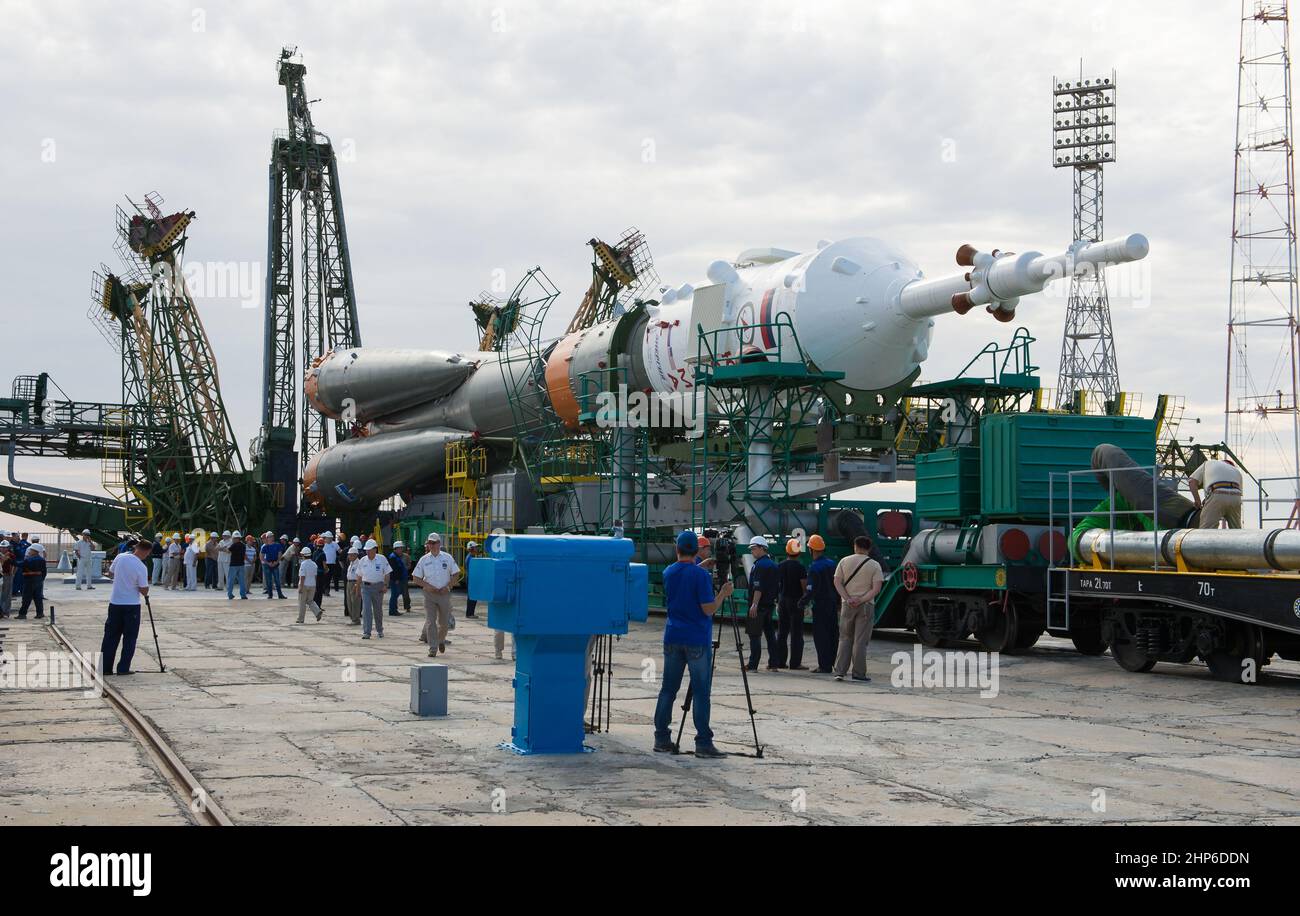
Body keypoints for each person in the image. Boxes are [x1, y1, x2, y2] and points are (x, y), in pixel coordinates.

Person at [653, 530, 734, 758]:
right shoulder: (700, 577)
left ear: (677, 549)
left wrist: (700, 567)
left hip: (673, 637)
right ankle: (703, 743)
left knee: (668, 690)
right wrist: (723, 594)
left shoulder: (669, 572)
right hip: (697, 639)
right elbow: (708, 609)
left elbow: (684, 576)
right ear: (696, 550)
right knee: (701, 692)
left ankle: (661, 738)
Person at [832, 535, 884, 683]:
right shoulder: (874, 565)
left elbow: (837, 582)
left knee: (844, 638)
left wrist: (847, 598)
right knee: (860, 641)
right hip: (866, 606)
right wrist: (860, 599)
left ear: (855, 546)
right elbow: (876, 588)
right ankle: (859, 673)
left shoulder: (844, 561)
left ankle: (840, 672)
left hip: (847, 605)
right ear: (869, 548)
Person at [100, 539, 153, 676]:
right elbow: (143, 590)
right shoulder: (141, 567)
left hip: (115, 603)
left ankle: (105, 668)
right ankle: (123, 668)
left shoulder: (120, 557)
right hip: (131, 605)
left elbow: (111, 572)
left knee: (110, 636)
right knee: (129, 638)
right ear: (146, 551)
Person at [413, 533, 459, 655]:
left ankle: (440, 640)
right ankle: (433, 648)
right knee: (430, 621)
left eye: (434, 543)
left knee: (444, 623)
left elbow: (456, 574)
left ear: (439, 543)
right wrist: (427, 586)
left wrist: (448, 586)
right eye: (430, 543)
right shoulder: (424, 560)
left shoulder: (447, 558)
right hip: (429, 595)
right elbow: (415, 578)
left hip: (444, 594)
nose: (431, 545)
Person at [802, 534, 839, 673]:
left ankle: (824, 666)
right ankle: (833, 662)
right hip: (833, 604)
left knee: (821, 636)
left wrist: (802, 603)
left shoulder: (814, 567)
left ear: (811, 549)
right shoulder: (832, 564)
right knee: (833, 634)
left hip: (821, 605)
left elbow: (811, 589)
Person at [745, 535, 780, 671]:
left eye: (754, 549)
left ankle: (753, 664)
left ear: (761, 548)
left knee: (755, 636)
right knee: (770, 635)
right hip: (769, 604)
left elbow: (758, 587)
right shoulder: (773, 564)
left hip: (758, 606)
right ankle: (774, 664)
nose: (752, 551)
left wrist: (754, 604)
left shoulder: (759, 565)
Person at [775, 538, 808, 670]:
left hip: (783, 600)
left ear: (787, 551)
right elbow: (804, 586)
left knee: (782, 632)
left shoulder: (780, 566)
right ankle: (795, 663)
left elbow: (777, 584)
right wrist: (806, 601)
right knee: (796, 633)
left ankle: (780, 661)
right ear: (798, 552)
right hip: (796, 601)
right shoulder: (800, 567)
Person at [1189, 458, 1243, 529]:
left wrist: (1197, 501)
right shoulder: (1236, 471)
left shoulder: (1208, 463)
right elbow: (1228, 491)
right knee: (1237, 531)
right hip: (1236, 496)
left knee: (1206, 531)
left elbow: (1192, 481)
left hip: (1216, 492)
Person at [357, 539, 390, 639]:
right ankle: (367, 632)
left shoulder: (382, 559)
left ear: (375, 549)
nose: (367, 552)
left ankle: (380, 630)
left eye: (370, 550)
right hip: (365, 587)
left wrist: (385, 585)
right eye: (366, 550)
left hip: (378, 587)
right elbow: (359, 576)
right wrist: (357, 588)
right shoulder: (362, 560)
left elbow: (387, 573)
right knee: (366, 609)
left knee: (378, 610)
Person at [17, 545, 47, 619]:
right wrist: (41, 579)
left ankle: (22, 614)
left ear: (35, 551)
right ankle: (40, 613)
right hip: (38, 580)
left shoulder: (28, 560)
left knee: (26, 598)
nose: (29, 552)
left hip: (29, 580)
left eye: (31, 550)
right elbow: (44, 571)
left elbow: (19, 564)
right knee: (38, 597)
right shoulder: (42, 560)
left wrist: (9, 560)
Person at [295, 548, 323, 623]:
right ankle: (317, 611)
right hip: (312, 585)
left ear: (303, 555)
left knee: (302, 602)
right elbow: (315, 576)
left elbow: (302, 576)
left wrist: (301, 586)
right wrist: (315, 585)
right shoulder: (314, 564)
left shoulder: (303, 564)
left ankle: (301, 619)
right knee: (310, 600)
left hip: (304, 585)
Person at [387, 540, 409, 616]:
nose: (401, 550)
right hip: (395, 580)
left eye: (401, 548)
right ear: (395, 549)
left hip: (398, 579)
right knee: (394, 595)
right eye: (400, 548)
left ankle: (394, 609)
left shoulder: (396, 557)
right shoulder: (393, 557)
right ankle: (392, 610)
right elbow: (394, 570)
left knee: (395, 595)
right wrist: (396, 579)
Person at [261, 533, 286, 599]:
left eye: (272, 536)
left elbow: (280, 554)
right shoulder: (265, 547)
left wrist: (276, 562)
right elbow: (262, 557)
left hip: (275, 564)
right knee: (268, 581)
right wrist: (267, 563)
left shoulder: (277, 545)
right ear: (267, 538)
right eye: (270, 536)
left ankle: (280, 595)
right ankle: (270, 595)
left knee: (277, 580)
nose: (272, 538)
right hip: (268, 565)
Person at [226, 530, 248, 600]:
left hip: (233, 565)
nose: (232, 540)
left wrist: (224, 548)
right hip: (241, 564)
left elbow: (228, 551)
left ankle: (230, 594)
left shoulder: (233, 545)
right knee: (242, 581)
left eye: (233, 538)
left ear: (235, 538)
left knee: (231, 580)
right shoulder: (243, 545)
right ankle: (243, 595)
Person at [463, 541, 481, 617]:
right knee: (472, 596)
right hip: (471, 579)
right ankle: (470, 614)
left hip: (471, 579)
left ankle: (470, 613)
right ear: (472, 549)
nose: (477, 549)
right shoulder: (470, 558)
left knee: (472, 596)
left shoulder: (471, 557)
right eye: (476, 547)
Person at [344, 546, 361, 625]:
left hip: (354, 583)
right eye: (349, 555)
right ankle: (352, 618)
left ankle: (356, 619)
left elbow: (359, 576)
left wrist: (356, 586)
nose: (349, 556)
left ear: (355, 555)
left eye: (351, 555)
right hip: (349, 582)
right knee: (349, 602)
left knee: (355, 602)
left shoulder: (358, 563)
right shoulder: (351, 563)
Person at [321, 531, 339, 598]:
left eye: (331, 538)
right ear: (325, 538)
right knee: (324, 578)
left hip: (332, 564)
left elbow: (340, 551)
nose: (330, 539)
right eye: (329, 538)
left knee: (329, 578)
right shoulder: (323, 545)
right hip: (325, 563)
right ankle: (323, 590)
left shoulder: (334, 544)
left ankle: (327, 591)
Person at [0, 540, 14, 618]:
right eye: (2, 547)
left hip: (8, 576)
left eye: (5, 547)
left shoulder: (11, 555)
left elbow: (14, 565)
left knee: (7, 594)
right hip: (1, 575)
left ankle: (6, 612)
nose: (3, 549)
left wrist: (12, 573)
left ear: (8, 548)